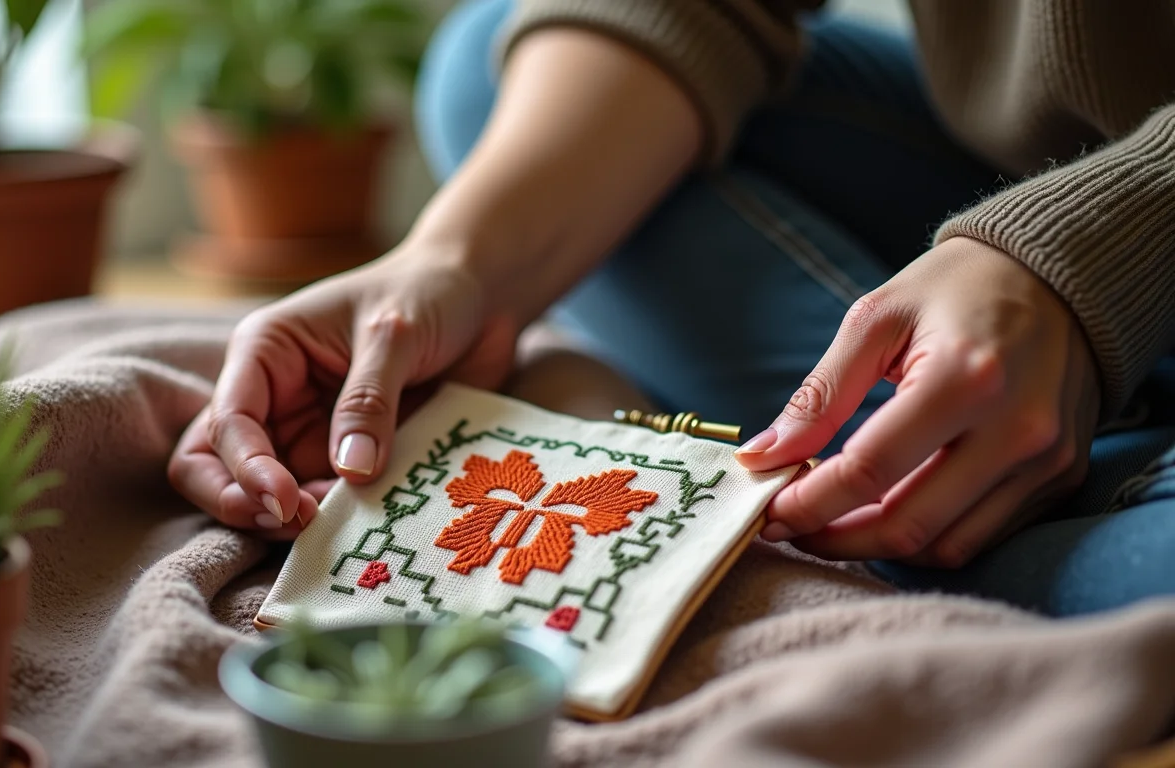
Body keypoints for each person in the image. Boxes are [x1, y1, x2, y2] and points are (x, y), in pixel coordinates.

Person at [168, 0, 1175, 618]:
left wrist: (1088, 259)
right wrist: (454, 262)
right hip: (1048, 156)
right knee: (490, 64)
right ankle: (967, 450)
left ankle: (980, 465)